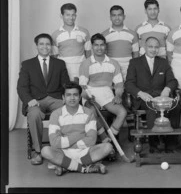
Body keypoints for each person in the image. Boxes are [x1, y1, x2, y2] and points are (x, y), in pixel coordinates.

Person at [17, 33, 70, 165]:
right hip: (35, 100)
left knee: (67, 111)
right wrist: (29, 100)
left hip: (55, 98)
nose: (45, 47)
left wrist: (65, 97)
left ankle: (63, 148)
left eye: (47, 44)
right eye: (41, 44)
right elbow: (21, 87)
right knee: (34, 114)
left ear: (51, 46)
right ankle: (38, 151)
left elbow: (66, 84)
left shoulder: (59, 64)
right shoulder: (27, 64)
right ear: (37, 46)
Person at [41, 82, 113, 176]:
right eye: (68, 95)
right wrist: (80, 136)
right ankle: (83, 168)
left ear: (79, 97)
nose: (72, 98)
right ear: (63, 98)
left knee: (108, 147)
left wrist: (67, 143)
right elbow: (54, 142)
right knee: (45, 151)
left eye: (75, 95)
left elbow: (91, 140)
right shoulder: (55, 114)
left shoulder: (88, 113)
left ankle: (66, 166)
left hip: (84, 152)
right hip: (63, 152)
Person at [125, 36, 181, 153]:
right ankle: (154, 145)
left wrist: (167, 89)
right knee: (152, 107)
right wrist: (140, 93)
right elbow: (129, 84)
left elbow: (173, 81)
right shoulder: (135, 62)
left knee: (176, 107)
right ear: (145, 47)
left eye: (156, 47)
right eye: (150, 46)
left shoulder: (163, 62)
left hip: (162, 98)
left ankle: (170, 143)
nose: (153, 49)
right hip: (144, 99)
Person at [79, 33, 127, 143]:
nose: (99, 48)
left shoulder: (113, 63)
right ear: (92, 46)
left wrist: (118, 95)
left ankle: (110, 140)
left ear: (105, 46)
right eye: (96, 45)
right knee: (92, 113)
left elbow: (119, 85)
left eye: (102, 45)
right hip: (90, 94)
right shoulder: (86, 64)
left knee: (122, 112)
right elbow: (82, 87)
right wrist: (88, 98)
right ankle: (104, 138)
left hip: (107, 94)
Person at [52, 3, 91, 82]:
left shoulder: (84, 32)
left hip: (81, 68)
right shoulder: (55, 34)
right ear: (61, 15)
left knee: (82, 92)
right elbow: (54, 57)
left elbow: (88, 54)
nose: (71, 18)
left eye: (73, 15)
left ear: (76, 15)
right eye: (68, 15)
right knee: (66, 92)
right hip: (63, 69)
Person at [102, 5, 139, 80]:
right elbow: (103, 55)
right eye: (114, 15)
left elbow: (136, 54)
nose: (117, 18)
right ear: (110, 17)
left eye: (119, 15)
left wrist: (135, 69)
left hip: (129, 69)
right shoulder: (104, 35)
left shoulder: (133, 34)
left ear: (124, 16)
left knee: (129, 90)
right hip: (111, 68)